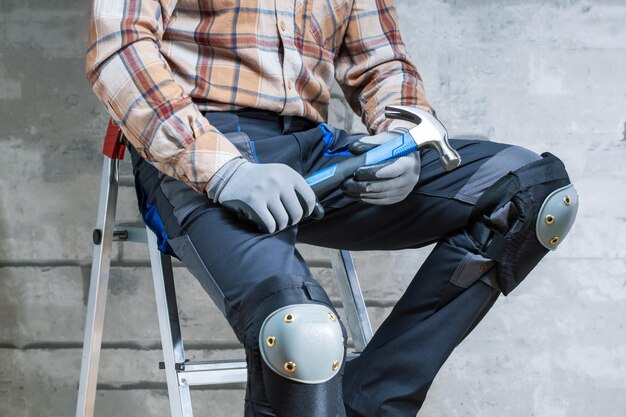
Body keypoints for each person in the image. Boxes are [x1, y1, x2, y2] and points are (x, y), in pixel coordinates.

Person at [86, 1, 578, 416]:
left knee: (532, 192)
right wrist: (225, 170)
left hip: (315, 149)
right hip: (203, 148)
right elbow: (120, 50)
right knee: (302, 337)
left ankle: (368, 403)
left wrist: (403, 140)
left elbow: (384, 63)